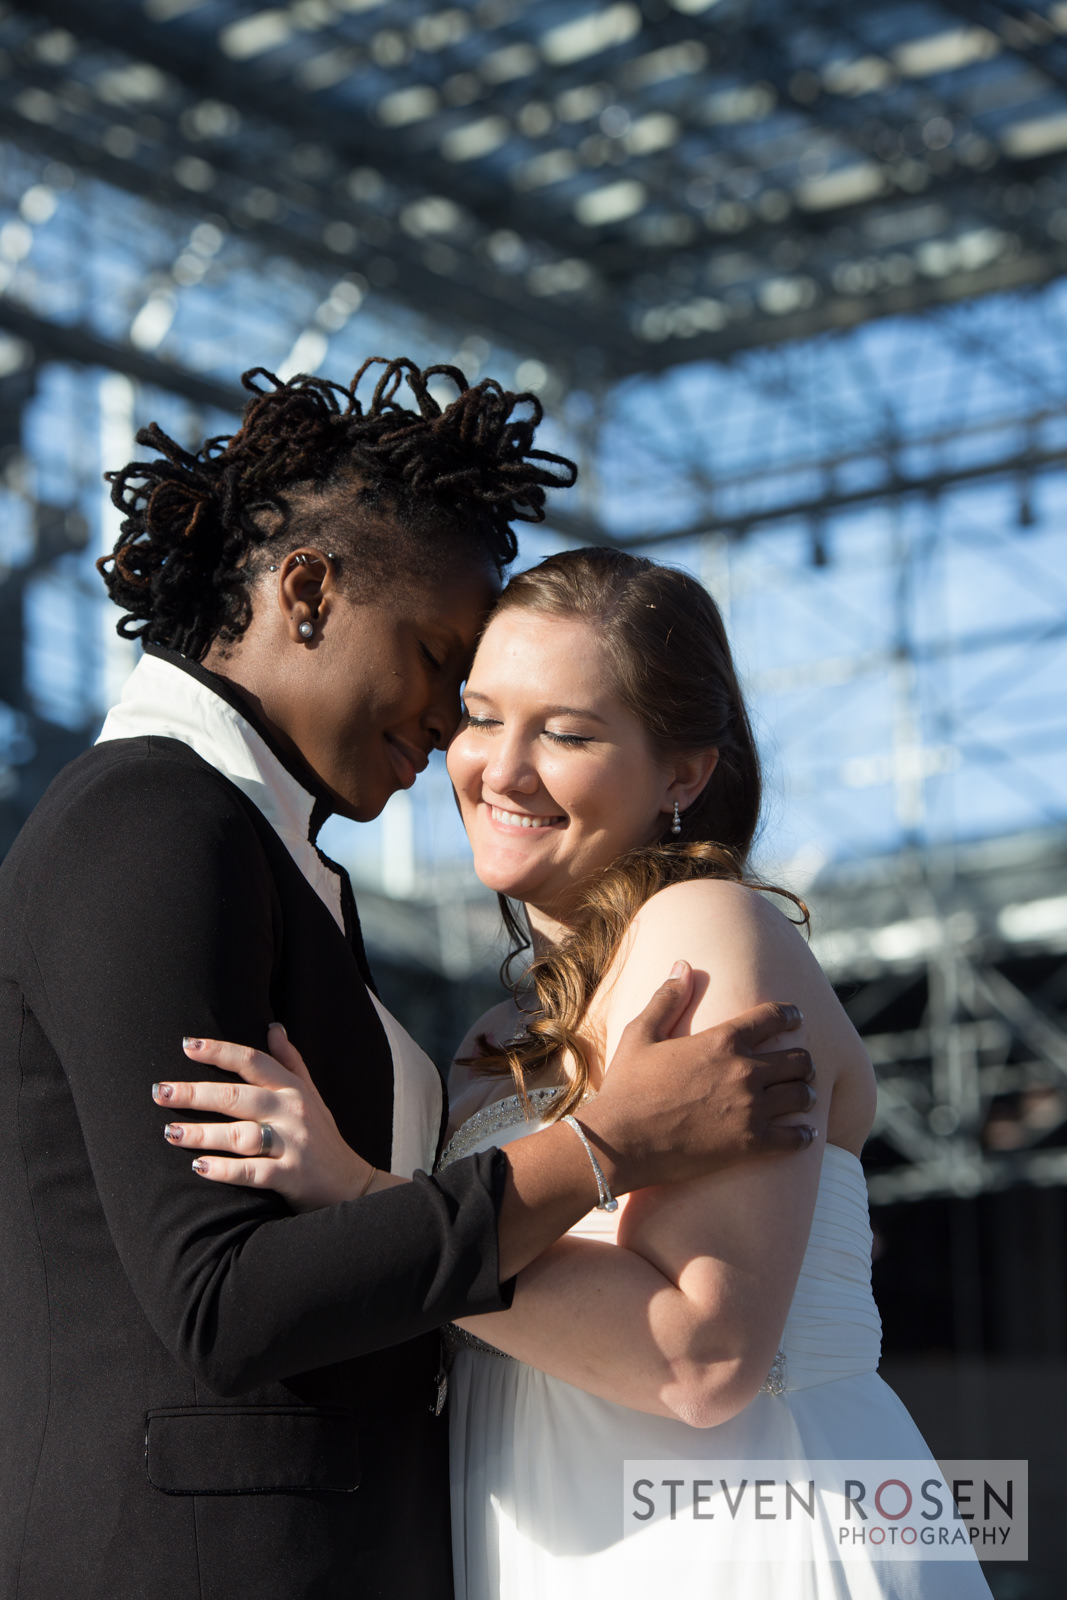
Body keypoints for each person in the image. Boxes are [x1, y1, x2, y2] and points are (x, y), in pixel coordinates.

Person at [0, 365, 817, 1600]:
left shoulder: (267, 847)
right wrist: (600, 1144)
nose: (450, 726)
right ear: (309, 589)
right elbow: (222, 1300)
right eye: (446, 665)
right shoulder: (150, 820)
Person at [169, 548, 994, 1599]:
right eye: (478, 715)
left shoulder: (705, 929)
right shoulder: (493, 1033)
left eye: (566, 732)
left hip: (735, 1538)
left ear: (683, 772)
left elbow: (702, 1358)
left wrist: (367, 1202)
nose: (500, 769)